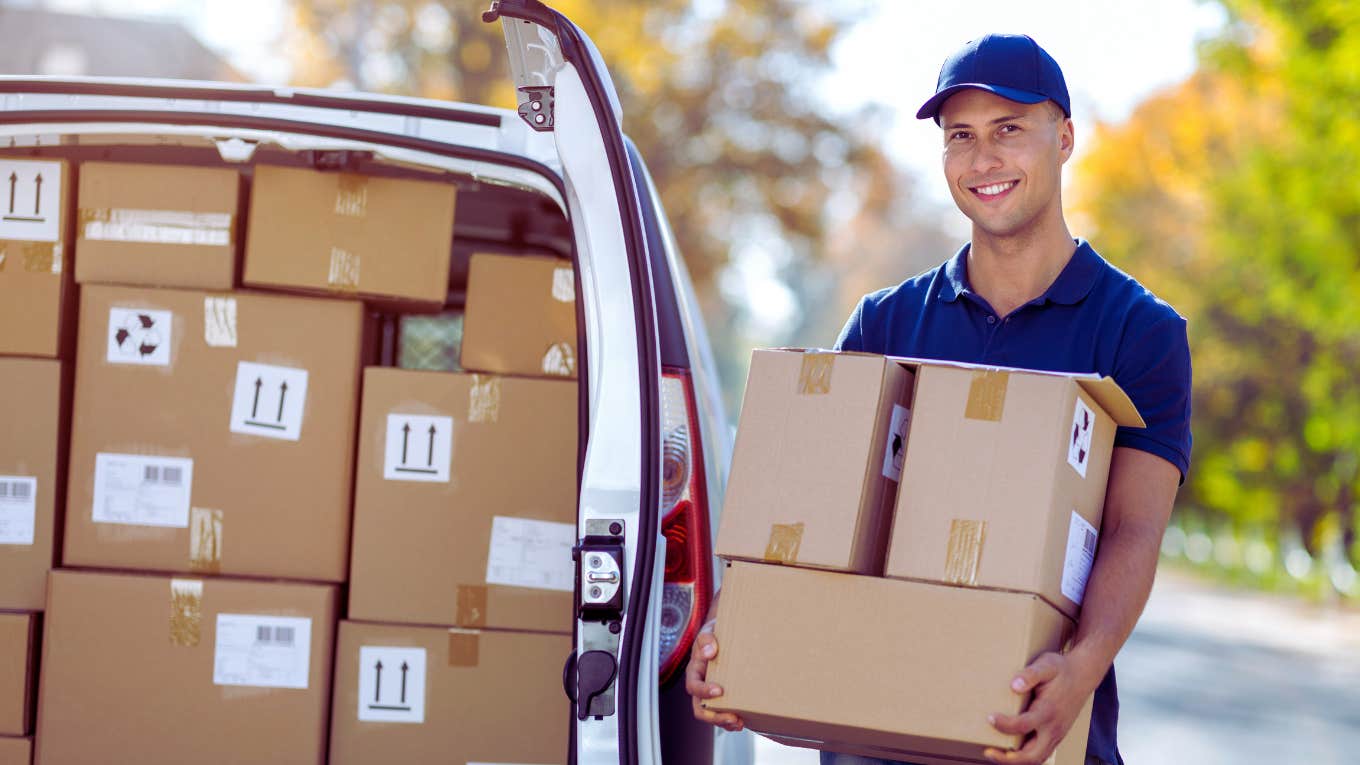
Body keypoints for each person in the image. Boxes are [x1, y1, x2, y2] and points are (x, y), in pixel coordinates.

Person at [685, 33, 1192, 765]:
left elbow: (1133, 530)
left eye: (1009, 130)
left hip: (1028, 726)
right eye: (961, 137)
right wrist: (735, 633)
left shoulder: (1139, 331)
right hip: (872, 737)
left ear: (1066, 138)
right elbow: (807, 512)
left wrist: (1079, 670)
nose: (983, 159)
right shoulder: (885, 323)